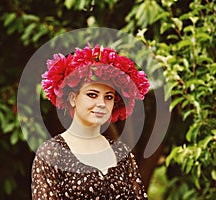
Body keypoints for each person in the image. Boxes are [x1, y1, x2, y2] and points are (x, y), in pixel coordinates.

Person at [31, 44, 150, 199]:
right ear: (73, 98)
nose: (101, 103)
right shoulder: (51, 153)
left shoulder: (122, 154)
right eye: (92, 95)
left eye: (108, 97)